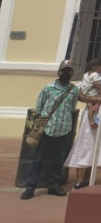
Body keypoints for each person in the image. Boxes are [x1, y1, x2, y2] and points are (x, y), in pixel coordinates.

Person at [22, 60, 81, 200]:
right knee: (38, 159)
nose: (66, 73)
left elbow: (72, 108)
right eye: (64, 70)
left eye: (69, 71)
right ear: (59, 72)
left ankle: (53, 185)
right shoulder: (48, 88)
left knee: (58, 159)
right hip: (47, 129)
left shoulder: (73, 90)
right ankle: (30, 187)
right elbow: (40, 107)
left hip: (64, 129)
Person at [66, 59, 101, 189]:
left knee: (95, 149)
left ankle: (89, 179)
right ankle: (78, 180)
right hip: (91, 117)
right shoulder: (91, 79)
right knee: (85, 146)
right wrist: (98, 98)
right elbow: (81, 96)